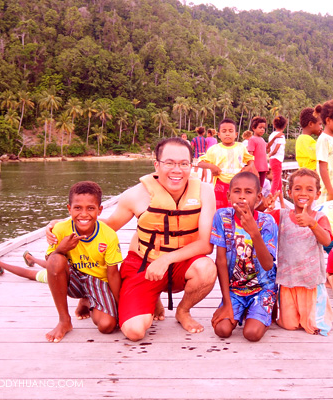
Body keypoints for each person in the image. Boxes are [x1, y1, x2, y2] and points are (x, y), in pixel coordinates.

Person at [99, 138, 218, 341]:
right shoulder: (135, 195)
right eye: (169, 163)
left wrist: (166, 259)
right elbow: (107, 227)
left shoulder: (205, 192)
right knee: (134, 332)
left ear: (191, 165)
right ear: (157, 165)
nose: (177, 170)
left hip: (181, 264)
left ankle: (183, 311)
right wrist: (61, 225)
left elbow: (206, 245)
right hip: (144, 264)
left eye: (183, 164)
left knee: (206, 269)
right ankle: (151, 298)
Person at [44, 181, 123, 342]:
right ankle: (64, 320)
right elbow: (50, 265)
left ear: (100, 210)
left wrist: (121, 307)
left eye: (91, 208)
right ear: (69, 209)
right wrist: (61, 249)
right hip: (73, 278)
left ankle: (88, 301)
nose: (84, 214)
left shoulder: (108, 236)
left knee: (108, 325)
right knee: (56, 260)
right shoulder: (61, 229)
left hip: (98, 281)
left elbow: (113, 274)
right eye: (78, 208)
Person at [210, 172, 278, 342]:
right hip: (235, 289)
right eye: (237, 191)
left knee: (252, 334)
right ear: (228, 195)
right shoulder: (222, 217)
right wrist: (226, 303)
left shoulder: (267, 222)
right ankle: (242, 308)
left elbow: (268, 265)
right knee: (222, 330)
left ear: (258, 197)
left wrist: (254, 232)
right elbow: (221, 261)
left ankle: (264, 307)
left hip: (262, 287)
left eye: (248, 192)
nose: (242, 197)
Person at [270, 168, 333, 335]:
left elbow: (327, 241)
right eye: (298, 188)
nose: (303, 193)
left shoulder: (319, 217)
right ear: (289, 192)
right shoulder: (282, 215)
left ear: (318, 194)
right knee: (289, 325)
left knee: (315, 326)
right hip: (288, 280)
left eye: (309, 189)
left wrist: (312, 224)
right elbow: (260, 221)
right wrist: (264, 205)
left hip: (310, 281)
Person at [197, 118, 256, 209]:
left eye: (230, 131)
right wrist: (212, 166)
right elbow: (200, 162)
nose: (227, 133)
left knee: (237, 207)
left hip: (238, 185)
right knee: (219, 208)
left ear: (236, 134)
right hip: (220, 184)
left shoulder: (241, 147)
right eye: (224, 131)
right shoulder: (214, 149)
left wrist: (249, 167)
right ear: (219, 135)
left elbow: (250, 159)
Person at [267, 115, 287, 196]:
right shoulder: (281, 135)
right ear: (285, 126)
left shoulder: (272, 135)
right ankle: (270, 200)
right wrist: (271, 154)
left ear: (274, 125)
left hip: (273, 160)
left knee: (279, 183)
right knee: (276, 182)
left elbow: (269, 147)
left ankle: (282, 204)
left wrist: (270, 155)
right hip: (277, 160)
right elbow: (276, 149)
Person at [247, 116, 269, 183]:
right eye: (260, 127)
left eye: (263, 128)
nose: (262, 129)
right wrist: (253, 169)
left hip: (263, 168)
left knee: (260, 188)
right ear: (254, 128)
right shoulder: (252, 139)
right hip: (255, 169)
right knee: (254, 187)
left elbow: (267, 148)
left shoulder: (262, 139)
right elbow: (250, 156)